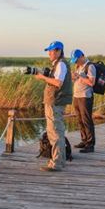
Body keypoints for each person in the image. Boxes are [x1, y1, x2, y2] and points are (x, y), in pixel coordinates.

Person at [35, 41, 73, 172]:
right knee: (56, 132)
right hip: (54, 102)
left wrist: (42, 78)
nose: (49, 54)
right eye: (49, 51)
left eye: (51, 51)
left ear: (58, 51)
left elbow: (58, 83)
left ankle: (56, 163)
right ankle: (59, 161)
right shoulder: (59, 64)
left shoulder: (61, 64)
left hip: (55, 103)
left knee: (55, 133)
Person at [70, 49, 96, 153]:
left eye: (76, 60)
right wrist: (73, 77)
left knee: (86, 120)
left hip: (85, 96)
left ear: (82, 56)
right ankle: (84, 140)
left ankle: (90, 144)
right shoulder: (78, 66)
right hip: (76, 96)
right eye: (74, 60)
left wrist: (79, 76)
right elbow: (76, 80)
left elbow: (91, 82)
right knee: (80, 120)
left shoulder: (90, 66)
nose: (75, 62)